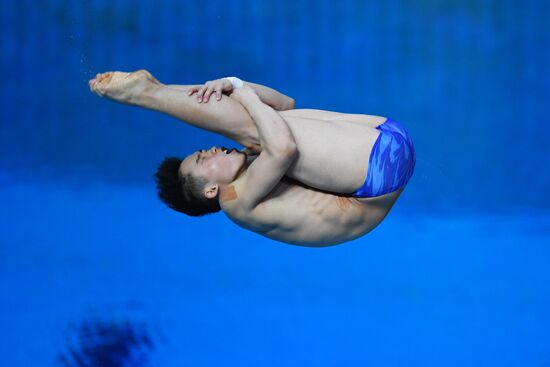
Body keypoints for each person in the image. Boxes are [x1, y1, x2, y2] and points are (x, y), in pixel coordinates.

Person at [89, 70, 415, 247]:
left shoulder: (249, 167)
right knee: (257, 129)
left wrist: (233, 85)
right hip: (381, 171)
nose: (212, 149)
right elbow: (283, 148)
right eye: (204, 158)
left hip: (382, 140)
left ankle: (158, 88)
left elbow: (284, 104)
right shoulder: (237, 202)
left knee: (263, 121)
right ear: (210, 191)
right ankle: (148, 94)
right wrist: (241, 90)